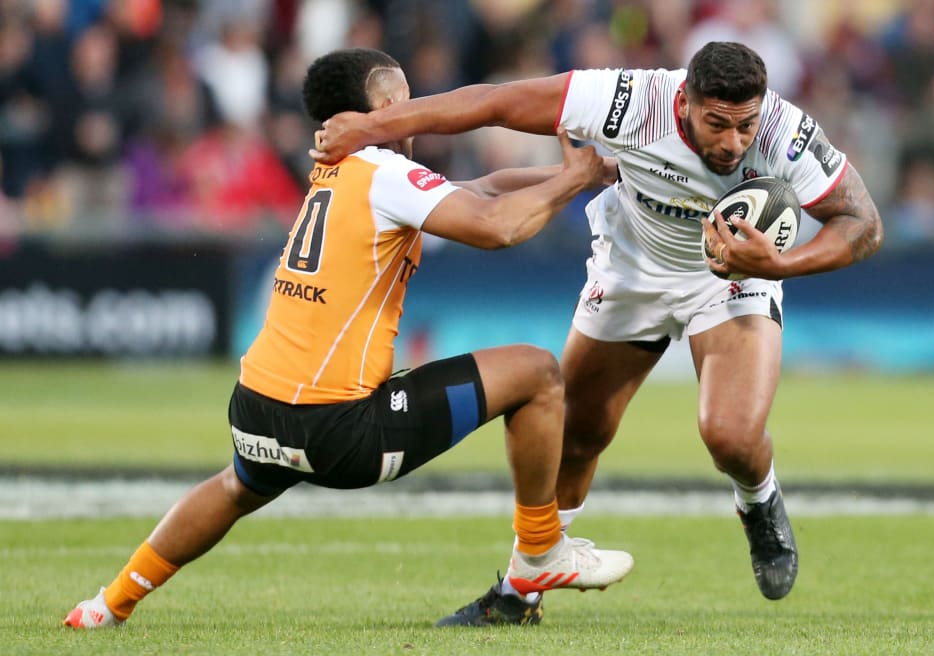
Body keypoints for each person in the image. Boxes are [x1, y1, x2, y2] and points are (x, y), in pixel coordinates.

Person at [310, 41, 884, 625]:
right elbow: (496, 103)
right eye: (717, 125)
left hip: (733, 275)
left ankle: (759, 501)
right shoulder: (633, 101)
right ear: (685, 102)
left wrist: (779, 266)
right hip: (632, 270)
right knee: (576, 435)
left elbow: (863, 222)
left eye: (745, 126)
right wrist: (374, 127)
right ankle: (519, 594)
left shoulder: (785, 131)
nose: (734, 144)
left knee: (730, 436)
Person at [63, 47, 634, 629]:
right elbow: (499, 226)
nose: (423, 113)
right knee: (537, 373)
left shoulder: (338, 173)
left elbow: (484, 187)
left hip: (256, 411)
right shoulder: (386, 173)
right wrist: (573, 183)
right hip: (341, 432)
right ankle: (540, 550)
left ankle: (109, 604)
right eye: (410, 99)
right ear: (386, 107)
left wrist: (589, 175)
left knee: (237, 486)